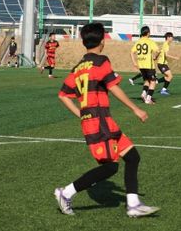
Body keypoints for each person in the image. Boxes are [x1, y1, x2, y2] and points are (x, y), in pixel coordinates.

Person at [54, 22, 159, 218]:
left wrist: (81, 114)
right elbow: (113, 86)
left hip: (101, 120)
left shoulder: (78, 67)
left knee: (132, 157)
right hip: (99, 122)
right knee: (110, 166)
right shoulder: (101, 61)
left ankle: (133, 204)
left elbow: (63, 95)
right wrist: (135, 109)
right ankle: (66, 193)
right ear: (102, 41)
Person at [130, 26, 160, 104]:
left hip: (141, 65)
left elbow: (132, 52)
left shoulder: (138, 42)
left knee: (147, 81)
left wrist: (134, 63)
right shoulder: (150, 41)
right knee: (153, 82)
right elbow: (158, 51)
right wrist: (155, 57)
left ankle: (143, 94)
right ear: (148, 33)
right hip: (149, 65)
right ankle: (148, 99)